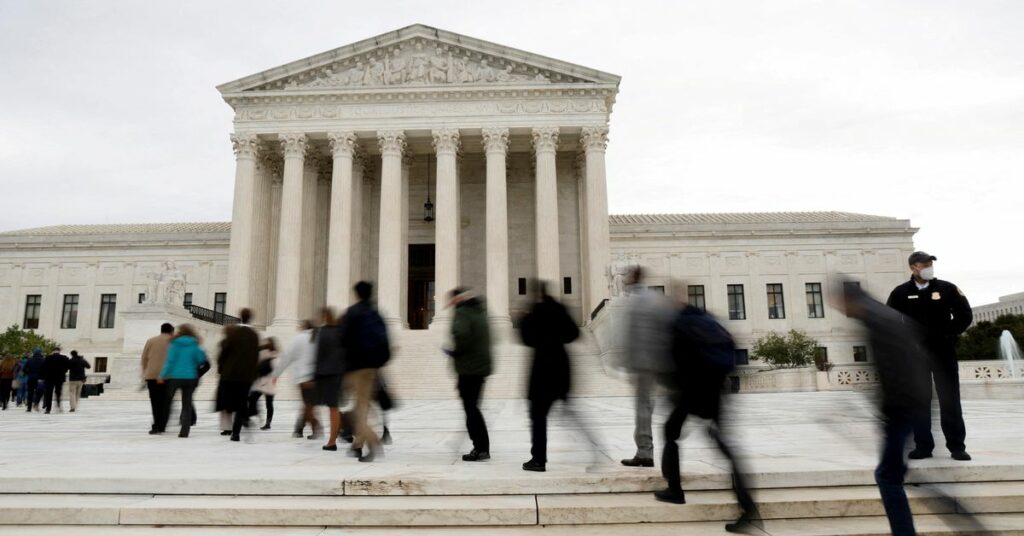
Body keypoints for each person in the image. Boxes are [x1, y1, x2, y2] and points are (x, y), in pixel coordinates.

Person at [654, 290, 758, 534]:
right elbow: (730, 353)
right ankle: (747, 506)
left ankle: (675, 490)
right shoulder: (709, 320)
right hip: (716, 390)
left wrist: (673, 388)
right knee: (725, 447)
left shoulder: (679, 324)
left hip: (691, 390)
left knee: (670, 432)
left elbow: (673, 361)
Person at [843, 282, 932, 536]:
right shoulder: (883, 316)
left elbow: (894, 370)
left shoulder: (876, 321)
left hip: (903, 405)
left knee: (888, 477)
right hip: (911, 402)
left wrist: (889, 412)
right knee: (891, 473)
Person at [886, 251, 974, 461]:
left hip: (942, 352)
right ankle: (923, 446)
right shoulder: (901, 292)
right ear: (913, 267)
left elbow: (964, 315)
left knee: (949, 399)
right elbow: (890, 320)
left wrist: (948, 335)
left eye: (930, 263)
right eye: (924, 263)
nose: (928, 267)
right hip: (914, 355)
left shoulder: (947, 288)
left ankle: (956, 446)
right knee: (919, 400)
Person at [519, 281, 580, 472]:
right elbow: (574, 334)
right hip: (561, 369)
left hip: (542, 372)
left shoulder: (535, 312)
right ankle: (596, 453)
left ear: (536, 294)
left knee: (538, 418)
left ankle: (538, 460)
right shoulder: (560, 309)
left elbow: (527, 339)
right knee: (575, 418)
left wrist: (524, 321)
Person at [619, 267, 675, 468]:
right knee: (652, 405)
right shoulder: (655, 299)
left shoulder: (636, 302)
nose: (624, 280)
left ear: (633, 278)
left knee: (643, 407)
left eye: (626, 277)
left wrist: (627, 362)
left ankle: (645, 452)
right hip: (660, 362)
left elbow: (632, 336)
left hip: (644, 364)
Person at [341, 281, 391, 462]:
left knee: (357, 412)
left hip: (356, 368)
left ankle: (374, 442)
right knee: (363, 406)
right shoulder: (375, 313)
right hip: (372, 368)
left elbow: (343, 339)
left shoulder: (353, 313)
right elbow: (386, 343)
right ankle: (357, 446)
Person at [447, 288, 493, 462]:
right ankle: (482, 447)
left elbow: (461, 335)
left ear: (457, 299)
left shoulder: (463, 312)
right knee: (473, 409)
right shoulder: (479, 312)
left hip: (469, 368)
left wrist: (454, 352)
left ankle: (480, 448)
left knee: (471, 410)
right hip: (479, 367)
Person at [216, 308, 260, 442]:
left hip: (231, 374)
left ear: (240, 317)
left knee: (232, 402)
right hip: (246, 375)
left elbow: (225, 351)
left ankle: (242, 423)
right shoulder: (254, 335)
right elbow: (255, 356)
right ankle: (237, 431)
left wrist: (221, 366)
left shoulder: (234, 332)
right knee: (241, 401)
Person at [157, 324, 208, 438]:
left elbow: (170, 361)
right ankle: (184, 431)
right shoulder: (194, 344)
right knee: (187, 404)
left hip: (175, 377)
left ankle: (162, 425)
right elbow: (201, 360)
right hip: (190, 377)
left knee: (168, 401)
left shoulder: (174, 344)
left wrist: (162, 375)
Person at [273, 320, 322, 439]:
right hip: (316, 377)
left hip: (303, 377)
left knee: (308, 405)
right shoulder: (317, 338)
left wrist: (276, 374)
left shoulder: (299, 339)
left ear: (303, 327)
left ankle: (314, 427)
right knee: (308, 404)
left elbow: (287, 357)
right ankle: (299, 428)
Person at [315, 307, 346, 450]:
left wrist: (315, 375)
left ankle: (332, 441)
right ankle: (342, 431)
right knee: (334, 407)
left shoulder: (323, 332)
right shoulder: (341, 332)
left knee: (333, 408)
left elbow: (319, 355)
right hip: (339, 373)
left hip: (327, 374)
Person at [142, 323, 174, 433]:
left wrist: (145, 371)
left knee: (155, 402)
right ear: (171, 331)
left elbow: (144, 358)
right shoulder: (173, 341)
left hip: (152, 376)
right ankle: (162, 425)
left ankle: (156, 425)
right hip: (168, 376)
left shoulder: (150, 341)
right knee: (166, 402)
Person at [249, 338, 278, 430]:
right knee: (253, 399)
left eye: (268, 343)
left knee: (269, 403)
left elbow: (275, 369)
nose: (266, 344)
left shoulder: (274, 355)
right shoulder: (263, 353)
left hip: (269, 382)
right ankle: (255, 414)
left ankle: (268, 423)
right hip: (261, 381)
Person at [41, 348, 70, 414]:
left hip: (49, 378)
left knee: (49, 393)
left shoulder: (48, 358)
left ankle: (48, 409)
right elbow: (68, 366)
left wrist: (44, 376)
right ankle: (58, 405)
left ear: (53, 351)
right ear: (59, 351)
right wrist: (64, 371)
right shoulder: (64, 358)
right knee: (58, 392)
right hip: (59, 378)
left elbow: (43, 368)